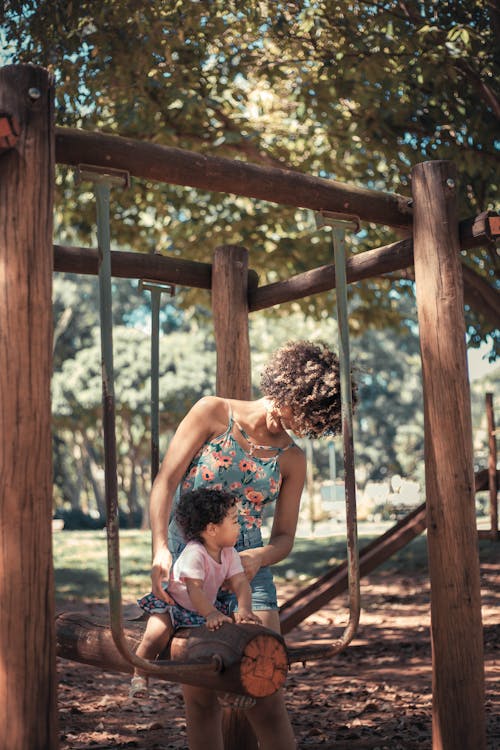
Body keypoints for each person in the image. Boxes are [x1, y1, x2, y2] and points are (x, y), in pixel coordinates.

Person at [148, 340, 345, 750]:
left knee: (264, 689)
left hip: (249, 568)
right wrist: (159, 549)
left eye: (311, 422)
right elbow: (166, 482)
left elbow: (285, 537)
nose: (295, 424)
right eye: (299, 410)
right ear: (287, 386)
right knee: (201, 699)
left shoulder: (293, 459)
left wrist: (259, 557)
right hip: (191, 559)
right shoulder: (212, 412)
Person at [129, 487, 261, 698]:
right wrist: (210, 614)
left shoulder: (229, 553)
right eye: (235, 521)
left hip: (202, 608)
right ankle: (140, 674)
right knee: (156, 634)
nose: (240, 526)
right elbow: (194, 590)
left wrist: (244, 609)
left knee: (226, 636)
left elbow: (241, 583)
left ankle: (228, 688)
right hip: (175, 606)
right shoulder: (195, 554)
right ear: (212, 529)